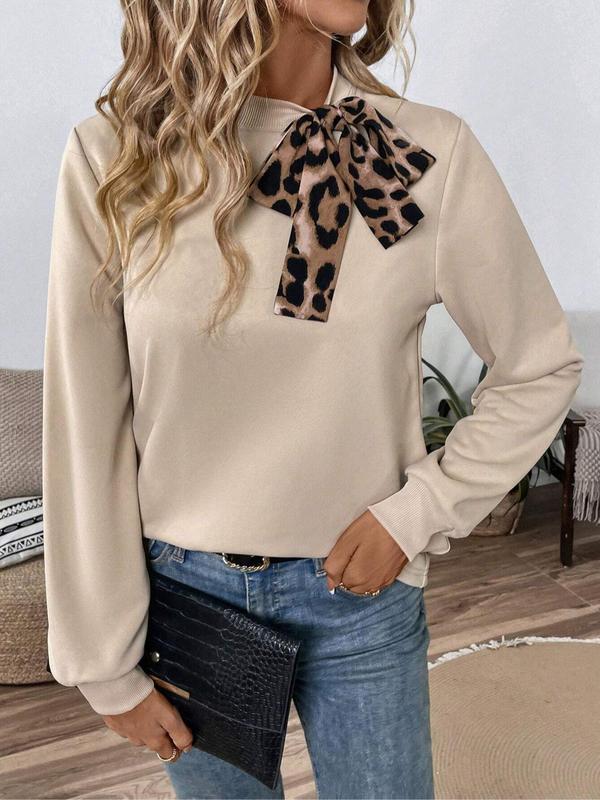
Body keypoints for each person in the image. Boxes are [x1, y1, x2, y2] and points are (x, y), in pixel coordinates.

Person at [42, 1, 584, 798]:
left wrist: (417, 513)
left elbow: (539, 366)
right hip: (187, 602)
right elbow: (84, 423)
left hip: (361, 597)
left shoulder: (424, 152)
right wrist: (102, 663)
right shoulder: (118, 158)